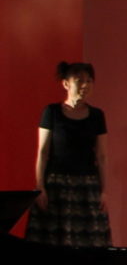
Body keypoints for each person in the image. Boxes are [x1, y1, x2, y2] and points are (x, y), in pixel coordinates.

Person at [31, 60, 111, 246]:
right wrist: (40, 186)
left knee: (90, 240)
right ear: (66, 84)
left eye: (89, 81)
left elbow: (102, 156)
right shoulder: (51, 112)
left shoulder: (97, 115)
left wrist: (104, 191)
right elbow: (43, 152)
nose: (85, 85)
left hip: (87, 185)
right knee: (54, 239)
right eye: (79, 80)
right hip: (57, 184)